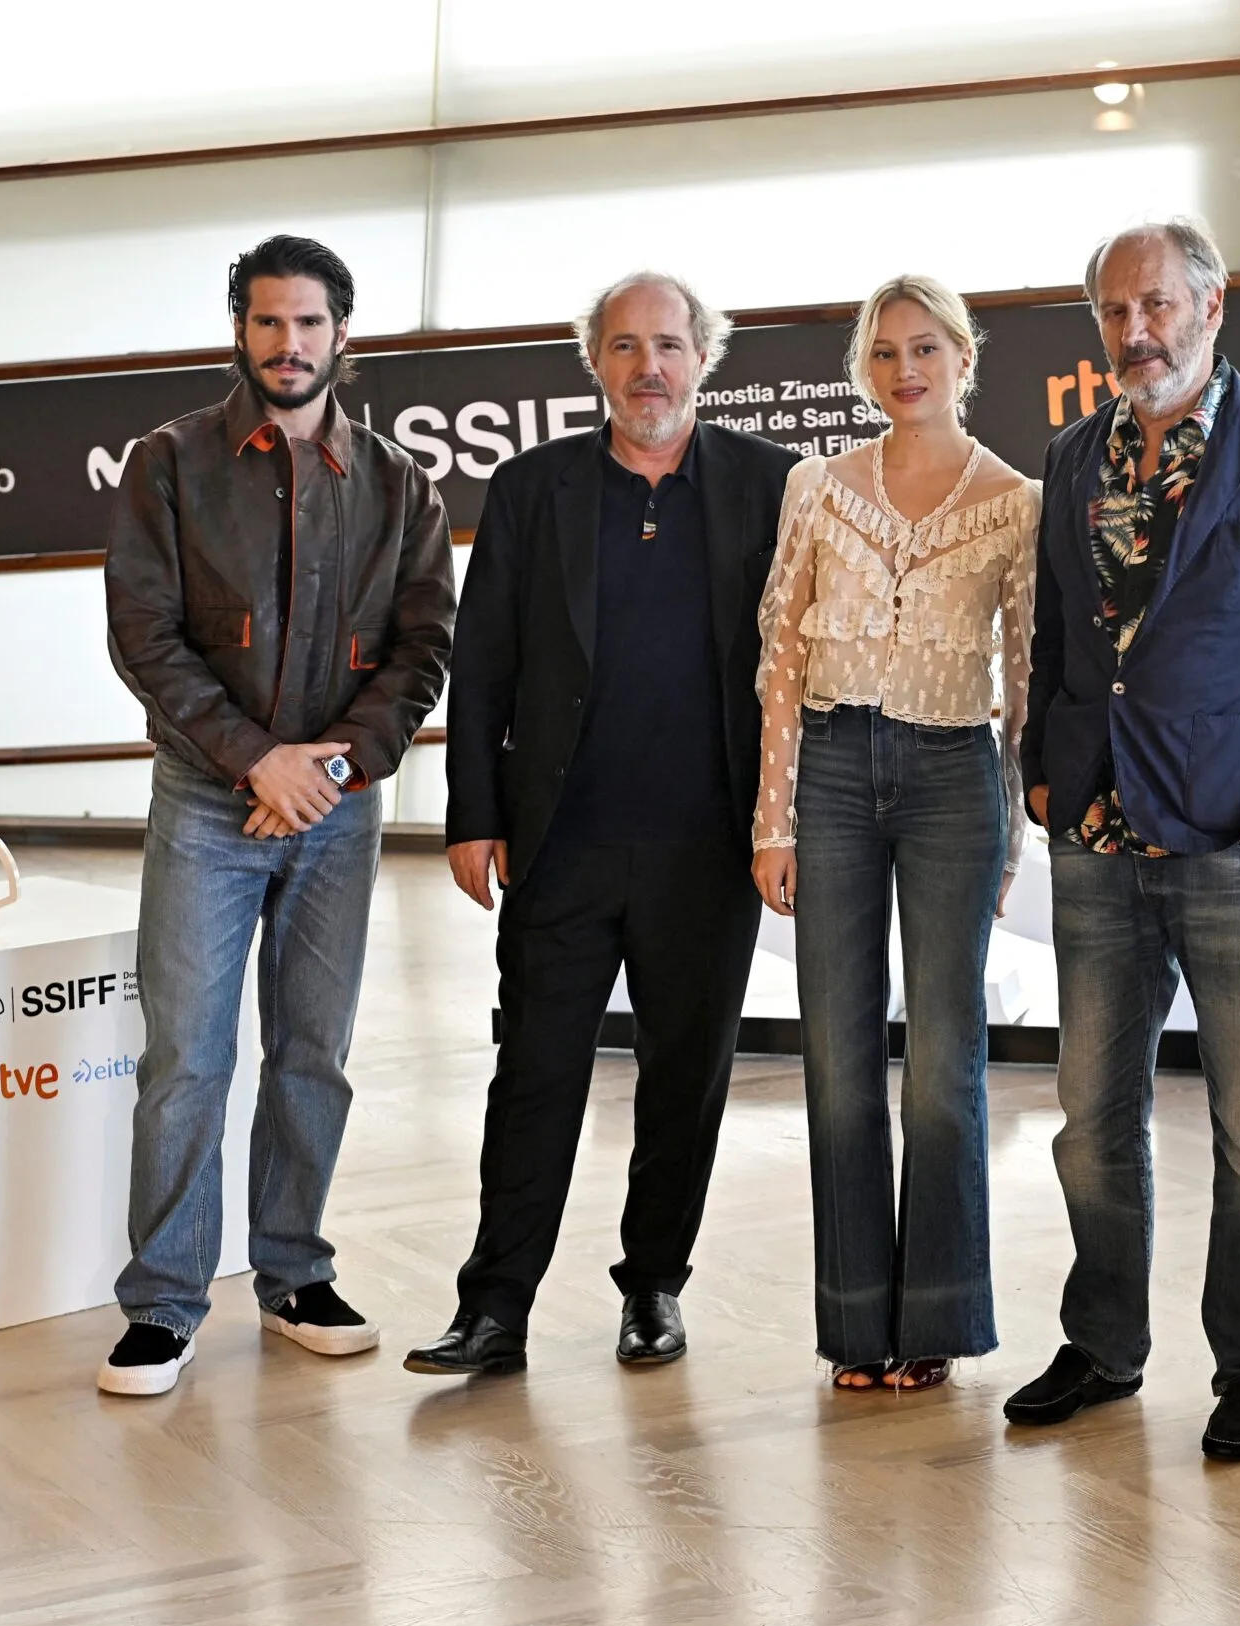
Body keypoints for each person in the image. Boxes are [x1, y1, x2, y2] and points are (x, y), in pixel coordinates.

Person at [1002, 219, 1240, 1461]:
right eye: (1113, 312)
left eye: (1155, 305)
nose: (1134, 332)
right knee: (1088, 1118)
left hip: (1233, 839)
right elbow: (1060, 634)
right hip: (1095, 833)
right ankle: (1105, 1345)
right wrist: (1040, 775)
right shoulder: (1071, 454)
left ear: (1211, 308)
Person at [410, 271, 800, 1379]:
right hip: (560, 840)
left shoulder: (773, 486)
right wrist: (472, 815)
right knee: (533, 1072)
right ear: (596, 364)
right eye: (625, 347)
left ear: (703, 358)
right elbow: (483, 657)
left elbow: (802, 665)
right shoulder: (532, 489)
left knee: (685, 1079)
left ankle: (654, 1291)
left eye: (668, 345)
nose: (648, 368)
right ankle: (494, 1310)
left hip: (708, 845)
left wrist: (788, 825)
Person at [98, 234, 456, 1396]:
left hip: (339, 814)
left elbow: (419, 654)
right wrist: (259, 764)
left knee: (314, 1054)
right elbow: (145, 638)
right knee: (187, 1061)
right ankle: (162, 1303)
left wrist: (329, 773)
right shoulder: (168, 464)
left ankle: (294, 1272)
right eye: (267, 322)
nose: (287, 344)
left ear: (342, 335)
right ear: (239, 331)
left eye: (308, 323)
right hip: (208, 801)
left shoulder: (402, 486)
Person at [750, 276, 1038, 1394]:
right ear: (862, 369)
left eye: (924, 349)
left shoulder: (1015, 501)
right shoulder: (815, 487)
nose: (904, 371)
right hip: (826, 769)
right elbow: (778, 658)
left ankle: (939, 1320)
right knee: (837, 1056)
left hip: (954, 780)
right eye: (883, 354)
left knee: (943, 1065)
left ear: (964, 358)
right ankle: (854, 1325)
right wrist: (772, 822)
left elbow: (1024, 683)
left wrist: (1008, 841)